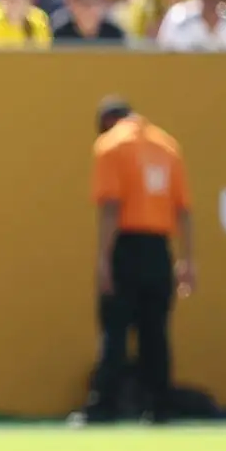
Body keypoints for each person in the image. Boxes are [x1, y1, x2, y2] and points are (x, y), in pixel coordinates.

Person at [89, 98, 193, 423]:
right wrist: (187, 259)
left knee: (114, 330)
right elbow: (184, 209)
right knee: (155, 333)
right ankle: (160, 406)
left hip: (126, 245)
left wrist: (103, 259)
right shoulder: (167, 145)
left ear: (107, 121)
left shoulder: (110, 145)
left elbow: (111, 207)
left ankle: (103, 407)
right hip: (160, 249)